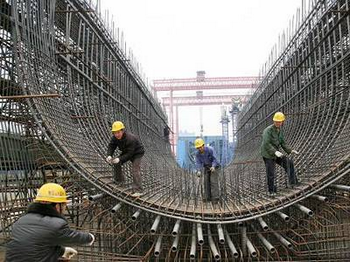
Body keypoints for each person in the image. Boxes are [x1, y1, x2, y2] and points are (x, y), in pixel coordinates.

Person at [5, 183, 94, 262]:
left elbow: (37, 244)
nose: (64, 208)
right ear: (56, 205)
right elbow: (75, 237)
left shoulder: (22, 220)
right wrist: (90, 237)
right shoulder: (56, 225)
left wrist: (62, 251)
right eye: (63, 205)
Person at [261, 112, 300, 196]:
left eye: (280, 122)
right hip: (268, 154)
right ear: (274, 121)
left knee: (288, 163)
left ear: (282, 122)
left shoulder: (279, 131)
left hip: (276, 153)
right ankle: (272, 191)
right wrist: (275, 151)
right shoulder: (268, 130)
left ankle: (293, 182)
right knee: (271, 172)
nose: (278, 123)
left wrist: (290, 150)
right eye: (276, 121)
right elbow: (266, 144)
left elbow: (282, 143)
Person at [106, 121, 145, 197]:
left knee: (135, 169)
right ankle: (119, 181)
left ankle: (139, 190)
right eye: (115, 133)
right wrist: (109, 155)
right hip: (127, 151)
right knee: (116, 162)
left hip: (137, 153)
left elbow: (130, 154)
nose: (117, 134)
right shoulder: (115, 137)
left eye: (118, 132)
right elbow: (111, 146)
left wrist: (119, 158)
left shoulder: (130, 138)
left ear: (122, 131)